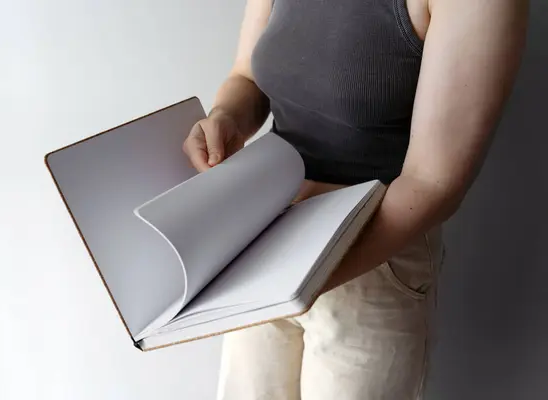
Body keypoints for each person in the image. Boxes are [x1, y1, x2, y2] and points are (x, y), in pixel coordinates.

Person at [183, 0, 529, 399]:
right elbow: (247, 76)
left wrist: (304, 277)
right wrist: (227, 116)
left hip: (376, 252)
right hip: (265, 244)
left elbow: (435, 183)